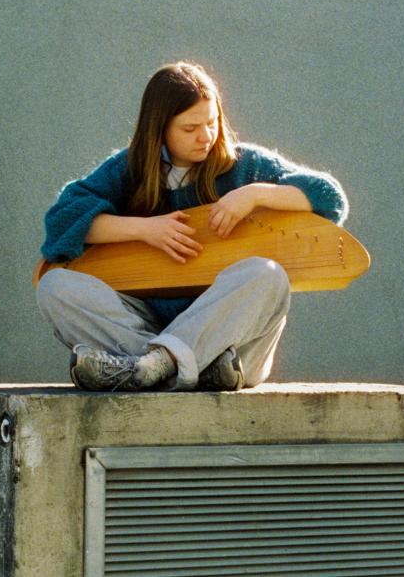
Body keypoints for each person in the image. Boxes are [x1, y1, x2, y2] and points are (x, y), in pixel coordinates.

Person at [36, 61, 348, 392]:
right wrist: (144, 229)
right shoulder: (130, 169)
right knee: (54, 286)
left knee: (268, 276)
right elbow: (61, 223)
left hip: (231, 348)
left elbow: (330, 200)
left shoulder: (245, 166)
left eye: (212, 123)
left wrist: (255, 194)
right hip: (152, 329)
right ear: (160, 129)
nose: (206, 137)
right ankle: (169, 365)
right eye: (190, 128)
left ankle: (153, 366)